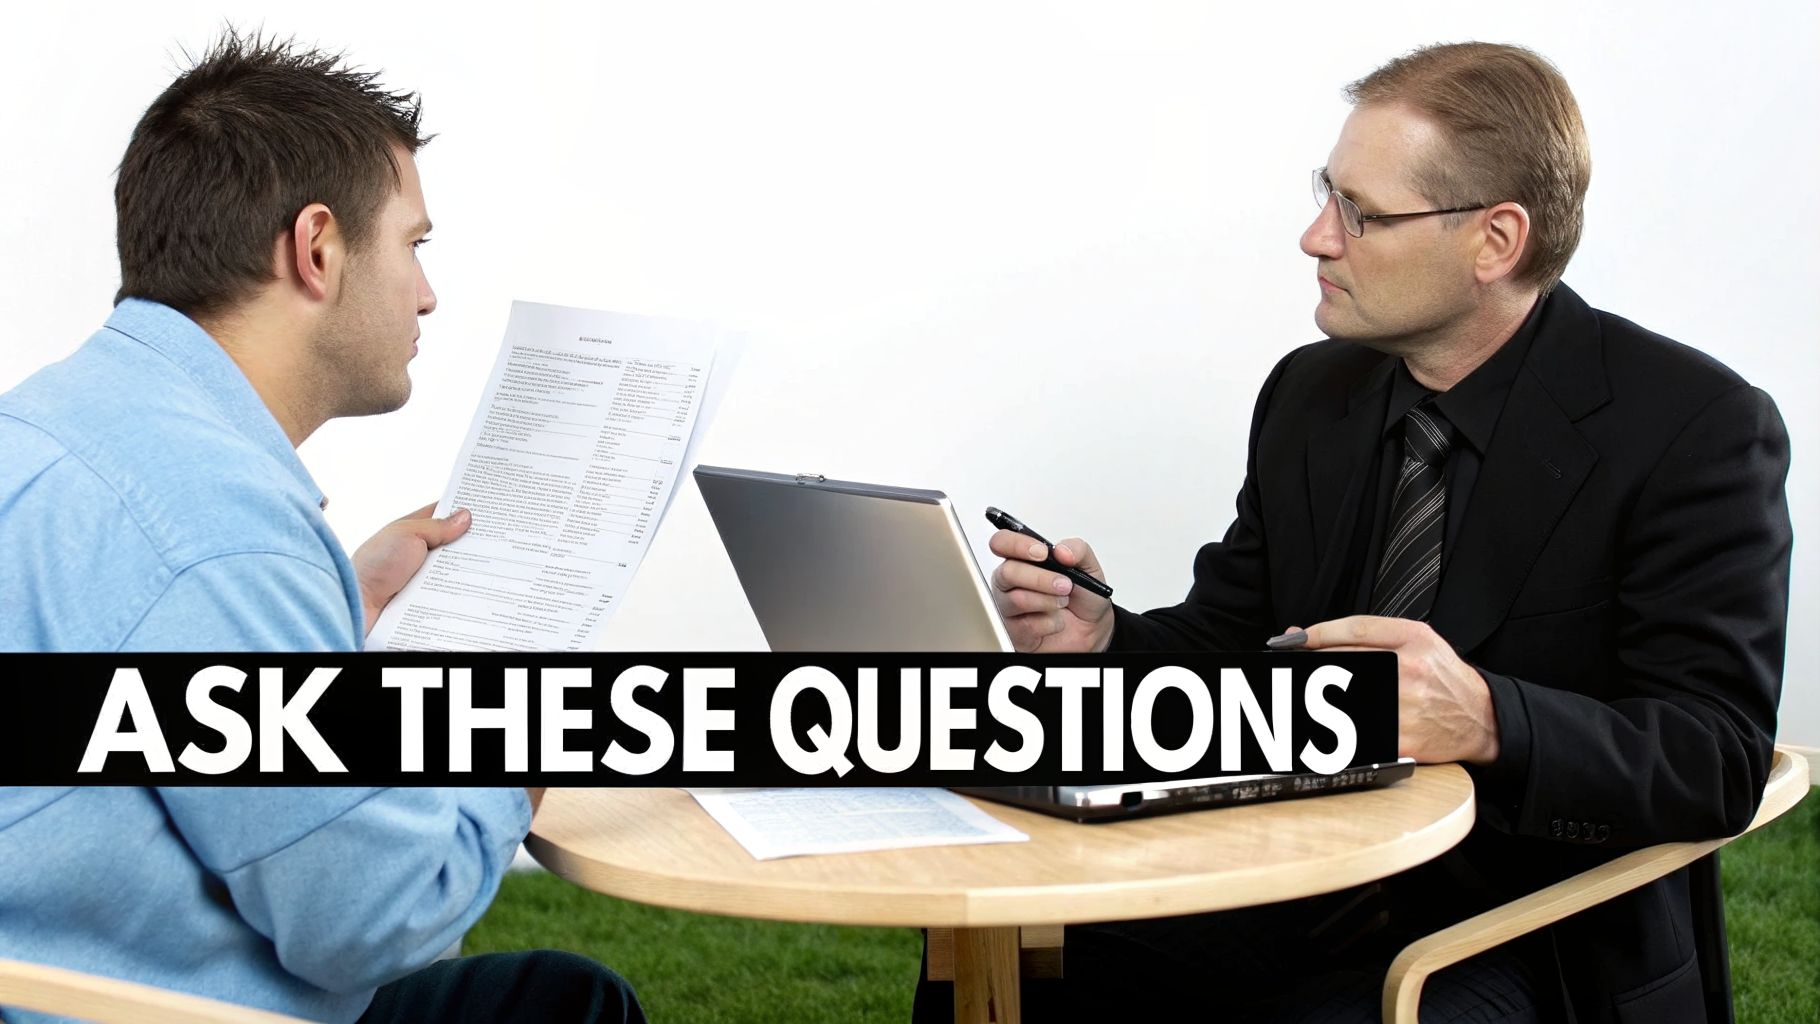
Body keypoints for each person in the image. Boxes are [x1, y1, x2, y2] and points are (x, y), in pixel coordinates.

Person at [952, 41, 1791, 1023]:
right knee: (1020, 957)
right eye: (1325, 193)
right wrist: (1105, 637)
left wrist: (1484, 715)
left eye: (1359, 212)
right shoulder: (1310, 396)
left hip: (1525, 927)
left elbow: (1714, 755)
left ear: (1494, 240)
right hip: (1291, 871)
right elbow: (1233, 640)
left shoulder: (1692, 427)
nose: (1315, 236)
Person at [0, 32, 644, 1024]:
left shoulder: (51, 423)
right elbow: (375, 917)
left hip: (47, 970)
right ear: (315, 248)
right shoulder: (216, 529)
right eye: (412, 245)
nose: (426, 291)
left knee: (559, 997)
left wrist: (344, 597)